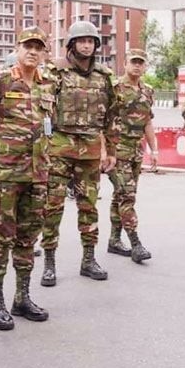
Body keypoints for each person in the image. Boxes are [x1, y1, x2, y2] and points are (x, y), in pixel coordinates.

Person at [0, 27, 53, 330]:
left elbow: (50, 127)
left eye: (38, 47)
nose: (33, 51)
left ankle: (22, 297)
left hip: (38, 176)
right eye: (28, 46)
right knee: (0, 239)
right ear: (18, 49)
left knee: (27, 238)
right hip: (6, 175)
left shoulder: (49, 85)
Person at [40, 20, 117, 287]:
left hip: (91, 149)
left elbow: (111, 118)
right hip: (60, 147)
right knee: (53, 207)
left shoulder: (104, 76)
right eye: (81, 41)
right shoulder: (55, 72)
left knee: (89, 207)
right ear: (71, 44)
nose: (86, 45)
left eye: (91, 41)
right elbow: (43, 112)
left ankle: (89, 259)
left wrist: (111, 151)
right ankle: (49, 262)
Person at [107, 49, 157, 264]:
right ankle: (135, 242)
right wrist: (103, 152)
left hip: (136, 151)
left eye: (141, 63)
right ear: (125, 64)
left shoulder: (148, 90)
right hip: (117, 150)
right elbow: (104, 121)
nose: (137, 66)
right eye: (133, 62)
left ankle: (114, 240)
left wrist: (154, 150)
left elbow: (147, 121)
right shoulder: (115, 89)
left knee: (120, 196)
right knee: (127, 196)